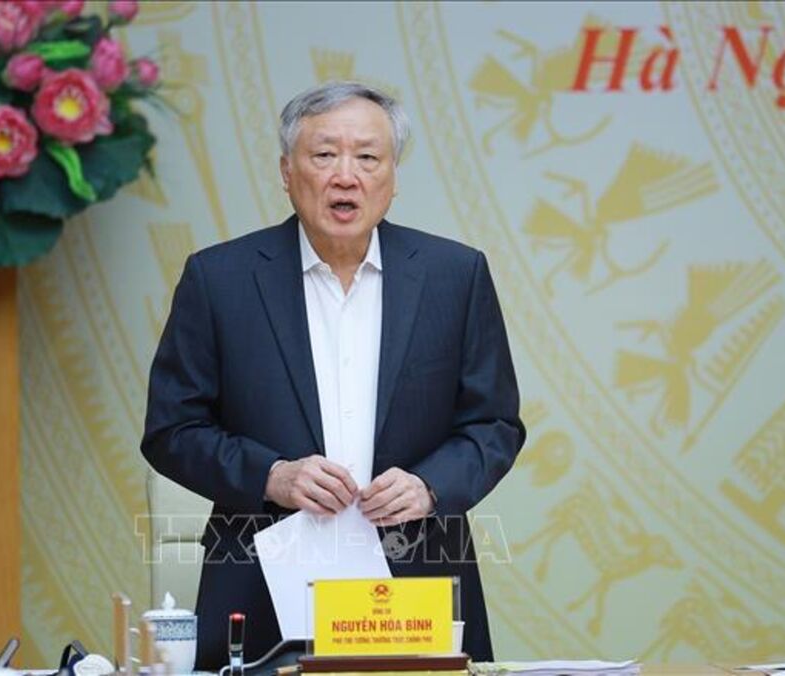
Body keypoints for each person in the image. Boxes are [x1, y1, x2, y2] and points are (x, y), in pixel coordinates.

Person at [141, 81, 525, 670]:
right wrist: (271, 475)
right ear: (286, 172)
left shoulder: (455, 275)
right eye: (324, 155)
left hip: (417, 577)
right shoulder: (219, 279)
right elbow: (172, 429)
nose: (346, 176)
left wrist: (429, 486)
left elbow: (494, 424)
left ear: (393, 177)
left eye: (368, 157)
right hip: (262, 583)